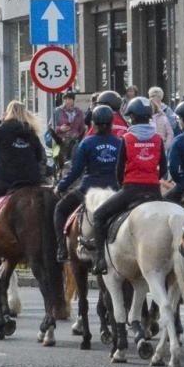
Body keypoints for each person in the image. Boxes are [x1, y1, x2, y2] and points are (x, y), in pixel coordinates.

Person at [85, 98, 167, 275]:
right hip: (154, 190)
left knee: (99, 216)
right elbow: (164, 169)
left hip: (131, 189)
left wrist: (124, 184)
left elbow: (119, 169)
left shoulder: (127, 138)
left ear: (133, 118)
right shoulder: (158, 139)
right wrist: (152, 178)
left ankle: (100, 260)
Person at [53, 104, 122, 263]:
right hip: (115, 191)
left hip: (88, 190)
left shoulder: (86, 143)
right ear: (111, 123)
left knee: (60, 209)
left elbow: (75, 171)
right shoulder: (120, 143)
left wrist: (60, 186)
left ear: (93, 124)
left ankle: (62, 249)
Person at [0, 101, 46, 248]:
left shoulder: (4, 128)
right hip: (31, 181)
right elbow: (39, 156)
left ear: (8, 112)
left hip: (6, 180)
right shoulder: (31, 131)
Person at [147, 86, 176, 152]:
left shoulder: (167, 109)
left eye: (157, 96)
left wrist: (166, 146)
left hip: (163, 144)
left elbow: (173, 125)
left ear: (161, 97)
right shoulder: (147, 108)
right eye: (152, 95)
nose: (154, 97)